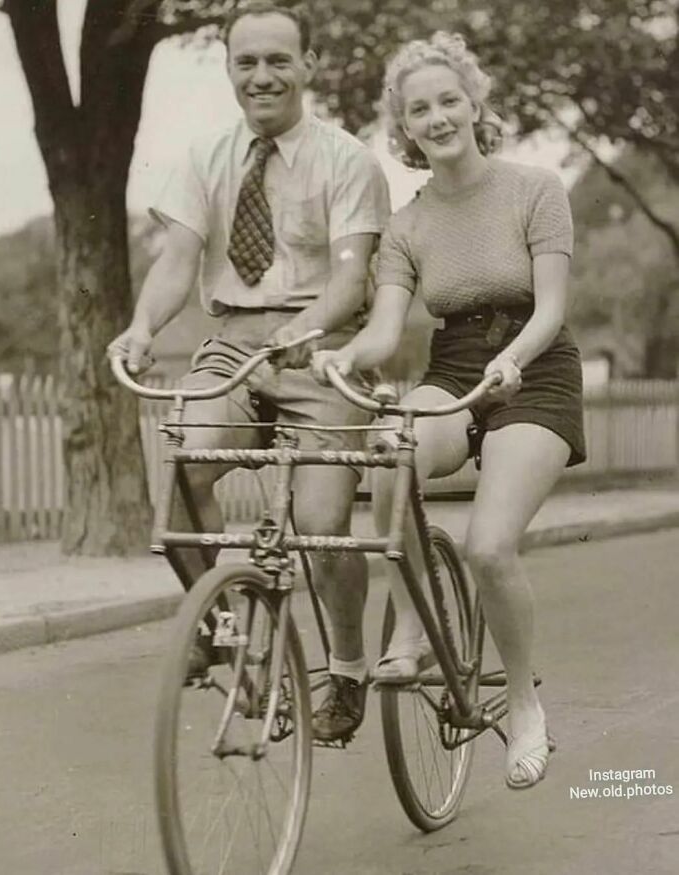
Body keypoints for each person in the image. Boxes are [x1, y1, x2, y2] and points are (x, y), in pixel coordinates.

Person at [108, 1, 391, 743]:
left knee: (324, 526)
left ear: (309, 66)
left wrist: (305, 332)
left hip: (321, 347)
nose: (261, 76)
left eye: (277, 60)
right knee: (177, 482)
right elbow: (177, 261)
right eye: (246, 62)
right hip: (232, 342)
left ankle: (349, 667)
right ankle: (230, 635)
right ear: (230, 69)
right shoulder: (206, 155)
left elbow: (352, 277)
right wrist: (141, 328)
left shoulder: (347, 160)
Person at [312, 31, 585, 787]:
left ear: (475, 104)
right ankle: (415, 621)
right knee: (389, 449)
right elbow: (386, 327)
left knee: (490, 547)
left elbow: (553, 308)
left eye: (448, 101)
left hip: (536, 367)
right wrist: (347, 354)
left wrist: (514, 361)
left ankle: (524, 704)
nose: (437, 117)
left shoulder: (535, 188)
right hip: (456, 366)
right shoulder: (407, 224)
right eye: (419, 109)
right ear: (403, 126)